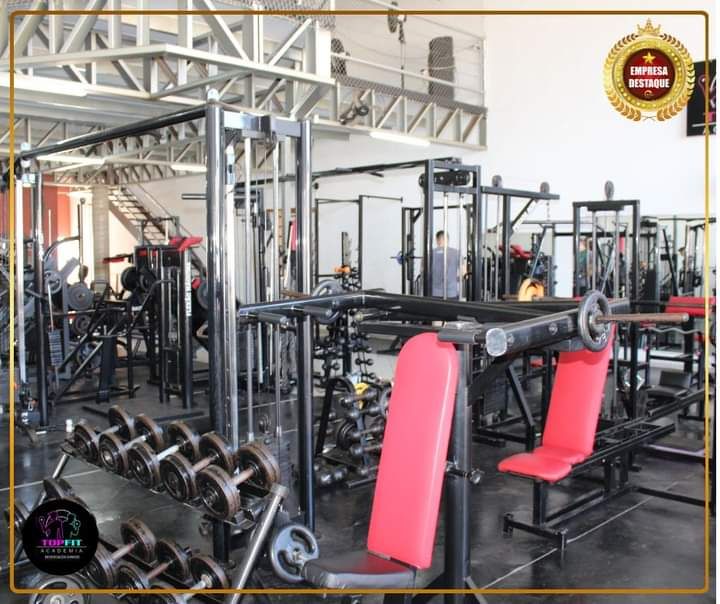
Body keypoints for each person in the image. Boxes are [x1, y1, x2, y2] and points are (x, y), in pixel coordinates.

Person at [431, 230, 460, 299]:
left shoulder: (429, 253)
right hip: (451, 293)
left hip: (434, 293)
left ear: (437, 240)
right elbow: (464, 273)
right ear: (448, 239)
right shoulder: (456, 252)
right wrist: (455, 278)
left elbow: (423, 271)